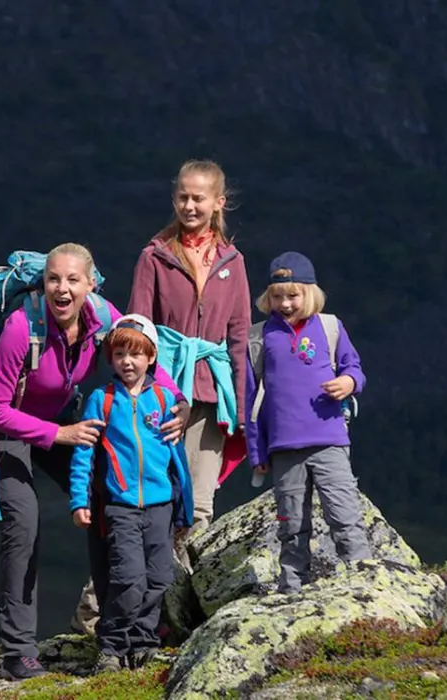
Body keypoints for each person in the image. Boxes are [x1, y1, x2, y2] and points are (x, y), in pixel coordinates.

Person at [0, 242, 190, 680]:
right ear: (44, 282)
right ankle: (18, 654)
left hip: (58, 422)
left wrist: (180, 405)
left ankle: (118, 634)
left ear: (91, 284)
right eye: (54, 279)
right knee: (24, 523)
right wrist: (58, 434)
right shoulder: (21, 326)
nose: (63, 289)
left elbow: (151, 363)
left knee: (103, 494)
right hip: (8, 428)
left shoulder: (103, 318)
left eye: (73, 280)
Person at [128, 159, 251, 549]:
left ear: (219, 202)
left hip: (212, 396)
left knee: (199, 506)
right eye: (183, 197)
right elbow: (138, 328)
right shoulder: (155, 256)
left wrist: (243, 409)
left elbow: (239, 337)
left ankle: (182, 601)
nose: (189, 206)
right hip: (162, 390)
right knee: (154, 497)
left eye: (198, 198)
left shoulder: (234, 262)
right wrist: (141, 389)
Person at [68, 314, 194, 673]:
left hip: (160, 506)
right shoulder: (101, 400)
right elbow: (84, 453)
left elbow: (177, 459)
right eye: (120, 353)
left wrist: (183, 508)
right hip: (120, 506)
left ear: (151, 357)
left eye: (136, 354)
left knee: (159, 578)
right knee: (128, 578)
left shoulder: (165, 399)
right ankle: (111, 646)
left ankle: (143, 642)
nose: (127, 361)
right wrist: (79, 501)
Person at [244, 252, 372, 593]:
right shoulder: (258, 337)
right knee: (291, 524)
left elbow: (354, 368)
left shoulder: (330, 327)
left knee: (344, 515)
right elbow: (250, 401)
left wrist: (348, 384)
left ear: (310, 294)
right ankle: (292, 589)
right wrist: (256, 454)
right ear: (267, 297)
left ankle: (364, 583)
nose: (285, 303)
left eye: (293, 295)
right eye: (277, 296)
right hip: (284, 448)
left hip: (329, 440)